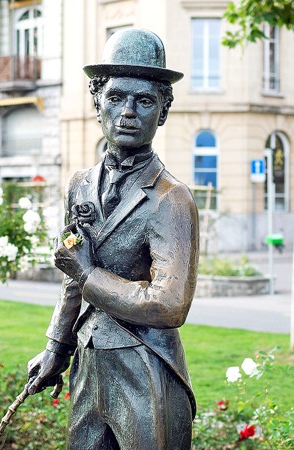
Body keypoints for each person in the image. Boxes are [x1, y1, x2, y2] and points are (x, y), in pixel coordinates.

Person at [24, 28, 199, 449]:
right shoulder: (80, 184)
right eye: (117, 97)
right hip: (89, 364)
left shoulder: (171, 199)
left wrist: (88, 275)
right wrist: (56, 346)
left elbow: (169, 304)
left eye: (144, 101)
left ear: (162, 112)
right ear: (96, 102)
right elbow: (72, 272)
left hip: (146, 366)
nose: (128, 112)